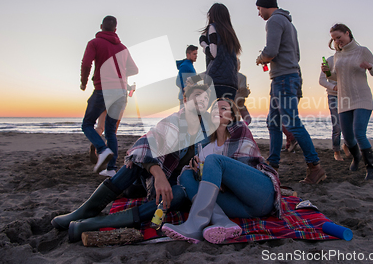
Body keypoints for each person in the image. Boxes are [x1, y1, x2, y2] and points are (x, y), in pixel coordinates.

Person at [51, 84, 213, 242]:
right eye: (197, 95)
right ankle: (84, 212)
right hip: (157, 178)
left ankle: (92, 224)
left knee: (177, 194)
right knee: (135, 162)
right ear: (185, 99)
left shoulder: (209, 129)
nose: (202, 100)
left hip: (180, 183)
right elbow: (147, 143)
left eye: (206, 97)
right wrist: (158, 175)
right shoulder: (174, 121)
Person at [162, 98, 281, 244]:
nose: (218, 111)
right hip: (239, 207)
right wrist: (194, 167)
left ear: (232, 116)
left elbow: (248, 166)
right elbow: (193, 176)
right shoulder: (206, 148)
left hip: (260, 195)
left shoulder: (239, 130)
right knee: (187, 174)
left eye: (223, 108)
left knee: (213, 160)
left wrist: (215, 172)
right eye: (214, 109)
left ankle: (194, 224)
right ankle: (223, 221)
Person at [255, 0, 326, 184]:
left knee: (292, 122)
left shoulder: (274, 21)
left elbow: (270, 52)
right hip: (287, 77)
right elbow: (297, 56)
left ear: (265, 5)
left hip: (284, 78)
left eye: (259, 9)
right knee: (273, 122)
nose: (258, 13)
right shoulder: (289, 24)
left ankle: (315, 166)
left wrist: (261, 58)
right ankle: (273, 166)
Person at [80, 16, 138, 175]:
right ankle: (111, 169)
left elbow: (86, 64)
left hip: (103, 90)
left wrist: (84, 82)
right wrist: (119, 71)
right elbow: (134, 70)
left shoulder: (94, 43)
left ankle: (102, 149)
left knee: (87, 124)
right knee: (111, 131)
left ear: (101, 27)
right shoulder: (123, 48)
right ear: (115, 29)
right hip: (120, 93)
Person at [322, 23, 373, 180]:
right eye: (334, 39)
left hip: (362, 98)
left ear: (347, 33)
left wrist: (369, 67)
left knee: (358, 133)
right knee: (347, 137)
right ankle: (356, 157)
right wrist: (327, 72)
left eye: (339, 37)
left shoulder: (362, 51)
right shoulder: (337, 55)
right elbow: (336, 76)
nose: (337, 41)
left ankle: (372, 169)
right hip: (344, 100)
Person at [199, 3, 241, 102]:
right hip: (232, 82)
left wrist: (203, 44)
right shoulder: (230, 34)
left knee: (208, 113)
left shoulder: (213, 27)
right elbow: (220, 62)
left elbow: (213, 54)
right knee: (226, 113)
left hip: (215, 82)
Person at [319, 55, 348, 161]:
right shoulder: (330, 60)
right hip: (333, 95)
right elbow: (322, 80)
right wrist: (333, 87)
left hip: (348, 95)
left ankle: (346, 145)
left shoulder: (348, 59)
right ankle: (336, 151)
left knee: (349, 124)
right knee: (337, 126)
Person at [234, 59, 252, 125]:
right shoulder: (242, 77)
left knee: (232, 119)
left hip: (228, 101)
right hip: (239, 102)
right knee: (248, 118)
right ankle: (242, 128)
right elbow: (243, 89)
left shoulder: (225, 76)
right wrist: (247, 92)